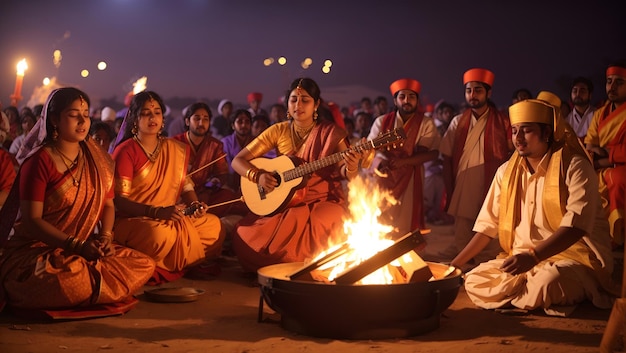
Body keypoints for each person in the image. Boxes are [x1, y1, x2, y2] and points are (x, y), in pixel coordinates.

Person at [450, 97, 617, 316]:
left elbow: (576, 226)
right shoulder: (505, 172)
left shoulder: (575, 166)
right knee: (474, 278)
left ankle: (518, 295)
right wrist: (453, 267)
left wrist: (534, 257)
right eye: (514, 131)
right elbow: (487, 227)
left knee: (549, 282)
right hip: (519, 260)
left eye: (526, 131)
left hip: (569, 259)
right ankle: (524, 295)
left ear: (547, 133)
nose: (518, 138)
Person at [0, 87, 155, 317]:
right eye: (74, 114)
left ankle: (90, 287)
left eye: (86, 113)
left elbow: (109, 205)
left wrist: (105, 238)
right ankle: (90, 288)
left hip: (86, 248)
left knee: (143, 263)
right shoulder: (39, 161)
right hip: (37, 253)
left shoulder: (97, 160)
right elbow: (32, 222)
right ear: (54, 119)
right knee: (69, 275)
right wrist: (77, 246)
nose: (83, 121)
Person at [230, 78, 368, 272]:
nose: (298, 105)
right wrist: (258, 176)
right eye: (294, 99)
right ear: (287, 103)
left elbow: (346, 174)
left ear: (316, 104)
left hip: (323, 199)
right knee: (247, 236)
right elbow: (238, 161)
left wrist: (352, 165)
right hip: (287, 198)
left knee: (327, 224)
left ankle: (309, 269)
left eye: (305, 100)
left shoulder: (331, 133)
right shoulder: (278, 130)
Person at [110, 91, 224, 280]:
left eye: (157, 112)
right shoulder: (126, 151)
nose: (152, 117)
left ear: (163, 118)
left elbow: (185, 185)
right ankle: (182, 258)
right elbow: (120, 201)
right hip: (136, 220)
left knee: (214, 226)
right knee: (159, 235)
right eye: (146, 112)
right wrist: (156, 212)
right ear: (135, 120)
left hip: (171, 216)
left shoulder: (172, 148)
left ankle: (172, 258)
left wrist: (194, 205)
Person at [439, 68, 512, 263]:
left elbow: (514, 152)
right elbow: (445, 157)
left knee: (491, 232)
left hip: (492, 184)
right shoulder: (458, 122)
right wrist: (449, 188)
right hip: (464, 184)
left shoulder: (503, 122)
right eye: (469, 91)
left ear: (489, 93)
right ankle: (462, 269)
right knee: (462, 234)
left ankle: (486, 267)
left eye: (478, 90)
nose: (473, 95)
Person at [366, 78, 440, 237]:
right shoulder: (381, 121)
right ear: (395, 100)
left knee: (406, 219)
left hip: (412, 177)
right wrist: (380, 160)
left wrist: (404, 161)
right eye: (402, 97)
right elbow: (370, 149)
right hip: (384, 175)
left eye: (411, 97)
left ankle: (407, 256)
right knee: (381, 215)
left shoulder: (426, 123)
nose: (407, 101)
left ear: (417, 100)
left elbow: (433, 153)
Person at [171, 102, 239, 218]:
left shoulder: (215, 145)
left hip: (204, 193)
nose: (201, 123)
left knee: (227, 196)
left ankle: (199, 212)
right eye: (197, 119)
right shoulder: (174, 143)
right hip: (179, 193)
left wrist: (208, 189)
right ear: (187, 121)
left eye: (205, 119)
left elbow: (222, 174)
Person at [584, 61, 626, 246]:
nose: (612, 87)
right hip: (599, 166)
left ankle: (616, 236)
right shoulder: (599, 114)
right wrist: (607, 153)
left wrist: (604, 155)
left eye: (619, 82)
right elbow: (590, 144)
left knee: (618, 179)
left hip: (618, 169)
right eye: (609, 82)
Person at [221, 109, 254, 192]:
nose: (244, 125)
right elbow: (226, 167)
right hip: (231, 184)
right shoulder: (225, 143)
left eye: (247, 122)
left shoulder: (255, 142)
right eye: (240, 122)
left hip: (252, 182)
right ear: (233, 125)